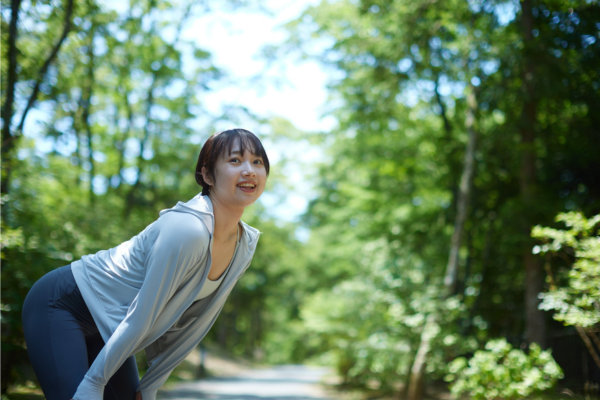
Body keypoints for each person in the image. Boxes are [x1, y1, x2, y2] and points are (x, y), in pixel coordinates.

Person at [21, 128, 269, 400]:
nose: (249, 171)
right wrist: (94, 382)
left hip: (112, 324)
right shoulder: (188, 229)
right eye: (235, 160)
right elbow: (143, 313)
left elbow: (199, 322)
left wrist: (151, 384)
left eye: (257, 161)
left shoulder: (244, 244)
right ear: (208, 175)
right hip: (63, 303)